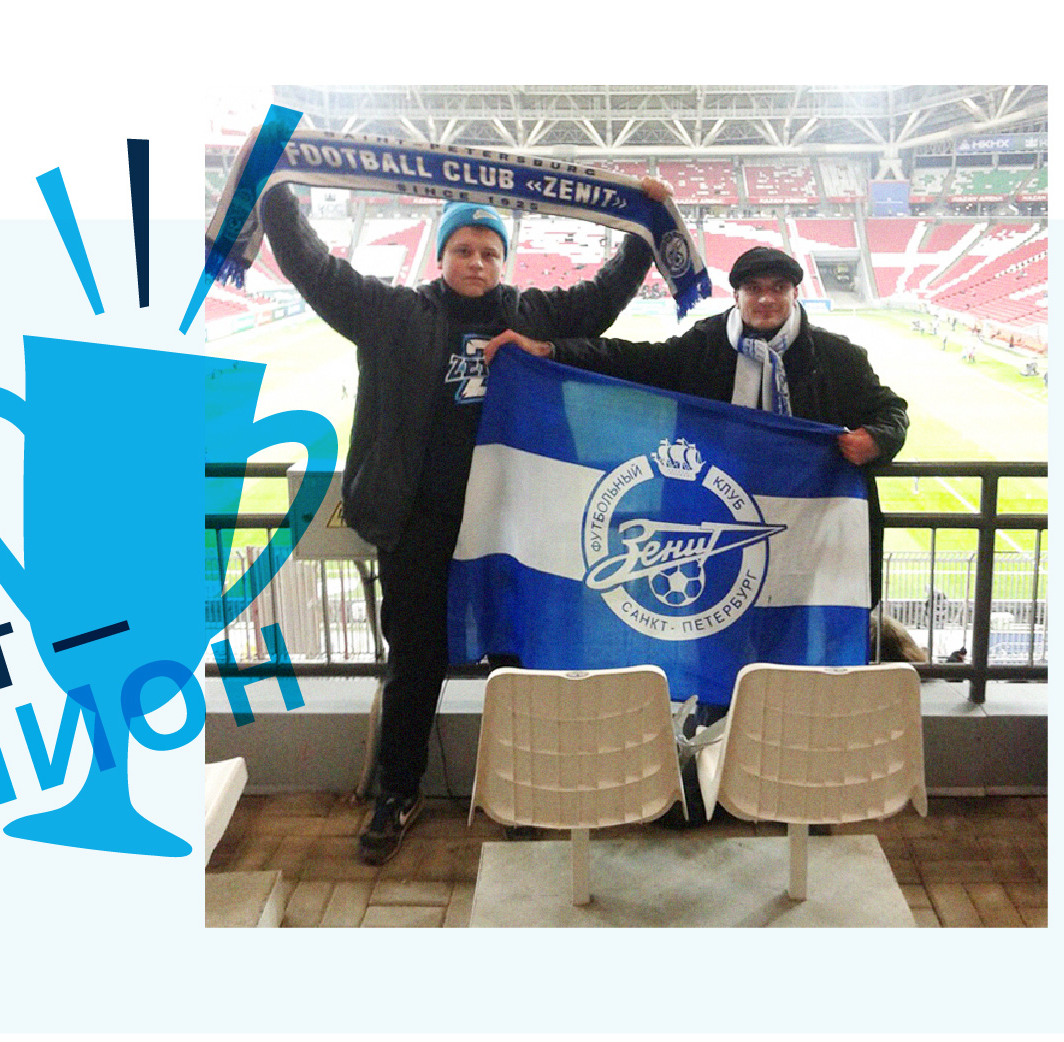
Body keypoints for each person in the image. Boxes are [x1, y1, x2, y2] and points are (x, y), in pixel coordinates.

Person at [258, 179, 669, 864]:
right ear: (441, 255)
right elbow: (318, 272)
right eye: (463, 250)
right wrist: (274, 197)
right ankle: (398, 792)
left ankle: (521, 789)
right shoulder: (394, 314)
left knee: (517, 660)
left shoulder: (533, 314)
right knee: (414, 662)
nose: (476, 262)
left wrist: (644, 227)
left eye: (489, 252)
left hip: (510, 529)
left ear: (504, 261)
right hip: (420, 525)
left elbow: (603, 298)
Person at [484, 245, 908, 613]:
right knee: (725, 625)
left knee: (800, 636)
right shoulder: (707, 344)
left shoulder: (836, 357)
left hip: (809, 532)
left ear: (795, 293)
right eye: (753, 288)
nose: (766, 298)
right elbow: (633, 361)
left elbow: (890, 411)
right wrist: (550, 351)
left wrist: (877, 440)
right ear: (736, 295)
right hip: (722, 525)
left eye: (778, 288)